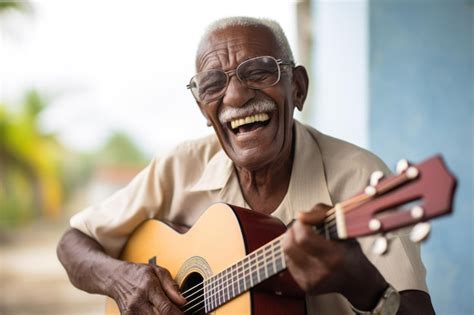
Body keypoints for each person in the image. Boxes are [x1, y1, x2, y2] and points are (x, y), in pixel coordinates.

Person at [57, 17, 435, 314]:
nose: (236, 96)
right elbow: (73, 242)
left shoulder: (360, 178)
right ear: (203, 109)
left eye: (259, 73)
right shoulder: (179, 166)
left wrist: (362, 286)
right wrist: (122, 279)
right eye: (212, 85)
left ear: (298, 88)